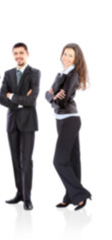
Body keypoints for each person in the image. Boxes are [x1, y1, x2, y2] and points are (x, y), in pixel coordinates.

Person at [45, 43, 91, 211]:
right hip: (60, 119)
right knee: (72, 160)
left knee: (59, 161)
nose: (66, 57)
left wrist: (52, 95)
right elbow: (48, 94)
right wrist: (51, 95)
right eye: (65, 54)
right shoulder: (61, 74)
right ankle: (70, 196)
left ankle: (80, 194)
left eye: (70, 55)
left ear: (76, 59)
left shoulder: (73, 75)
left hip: (70, 120)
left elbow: (61, 100)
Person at [0, 43, 41, 211]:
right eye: (15, 53)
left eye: (21, 53)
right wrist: (20, 99)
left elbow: (31, 100)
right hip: (12, 123)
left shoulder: (35, 73)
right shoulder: (8, 74)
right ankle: (20, 193)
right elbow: (1, 99)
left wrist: (12, 96)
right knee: (15, 161)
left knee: (26, 161)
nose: (18, 56)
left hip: (28, 122)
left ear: (27, 54)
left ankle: (28, 199)